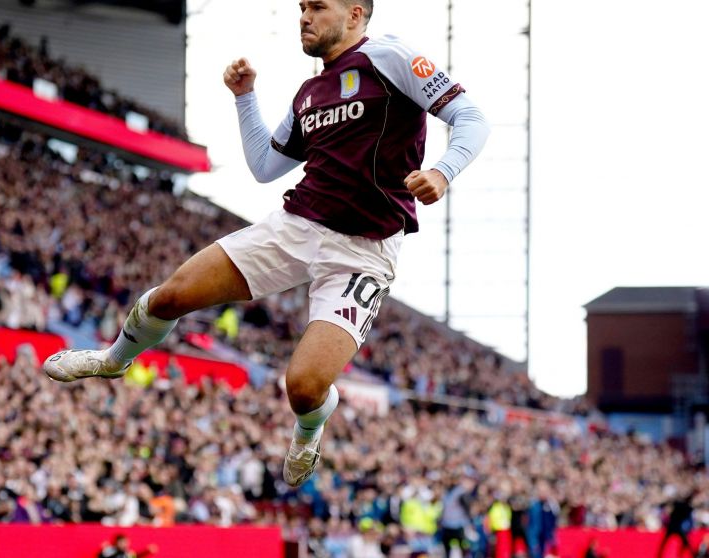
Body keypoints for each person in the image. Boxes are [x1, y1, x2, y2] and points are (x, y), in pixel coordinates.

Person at [42, 0, 489, 487]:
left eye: (317, 6)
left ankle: (308, 432)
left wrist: (443, 171)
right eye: (302, 7)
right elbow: (264, 166)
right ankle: (112, 360)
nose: (305, 16)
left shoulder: (391, 57)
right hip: (295, 227)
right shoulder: (310, 93)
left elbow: (470, 117)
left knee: (304, 387)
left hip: (362, 251)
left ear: (355, 14)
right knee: (170, 296)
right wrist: (245, 97)